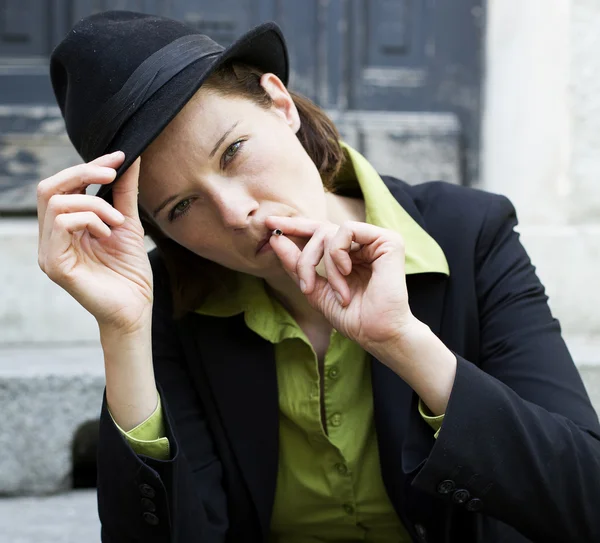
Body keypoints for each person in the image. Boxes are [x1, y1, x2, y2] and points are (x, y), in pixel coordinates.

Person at [37, 10, 600, 543]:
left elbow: (584, 499)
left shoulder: (470, 233)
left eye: (232, 151)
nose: (236, 214)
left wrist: (404, 343)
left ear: (280, 103)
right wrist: (122, 334)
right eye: (181, 208)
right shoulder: (167, 302)